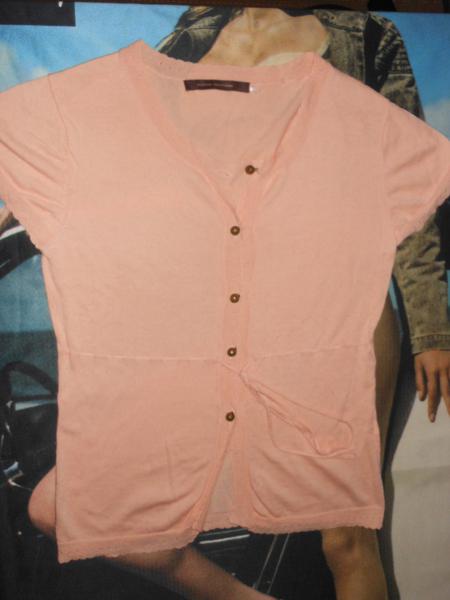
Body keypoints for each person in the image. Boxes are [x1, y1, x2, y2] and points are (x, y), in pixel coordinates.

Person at [23, 7, 450, 600]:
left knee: (346, 539)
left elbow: (410, 204)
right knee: (65, 503)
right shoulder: (189, 38)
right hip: (219, 311)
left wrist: (431, 330)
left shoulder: (364, 34)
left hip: (332, 309)